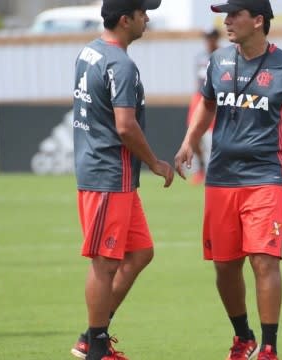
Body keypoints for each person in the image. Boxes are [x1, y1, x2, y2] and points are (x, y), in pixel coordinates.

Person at [174, 0, 282, 359]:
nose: (227, 21)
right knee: (224, 266)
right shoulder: (218, 61)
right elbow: (207, 103)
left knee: (264, 260)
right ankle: (243, 337)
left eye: (234, 14)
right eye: (225, 14)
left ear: (258, 20)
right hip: (221, 178)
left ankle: (269, 347)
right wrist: (190, 139)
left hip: (266, 176)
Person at [70, 0, 173, 359]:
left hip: (113, 176)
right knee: (104, 261)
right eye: (143, 12)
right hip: (108, 174)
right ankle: (95, 345)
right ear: (125, 19)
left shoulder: (90, 52)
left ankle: (91, 335)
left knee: (141, 252)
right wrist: (156, 163)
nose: (148, 17)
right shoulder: (121, 64)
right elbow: (125, 126)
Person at [186, 27, 220, 185]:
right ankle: (200, 167)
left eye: (211, 37)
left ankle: (215, 169)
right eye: (206, 37)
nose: (208, 41)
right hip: (199, 97)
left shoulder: (223, 56)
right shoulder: (200, 57)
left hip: (216, 98)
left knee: (215, 137)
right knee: (193, 133)